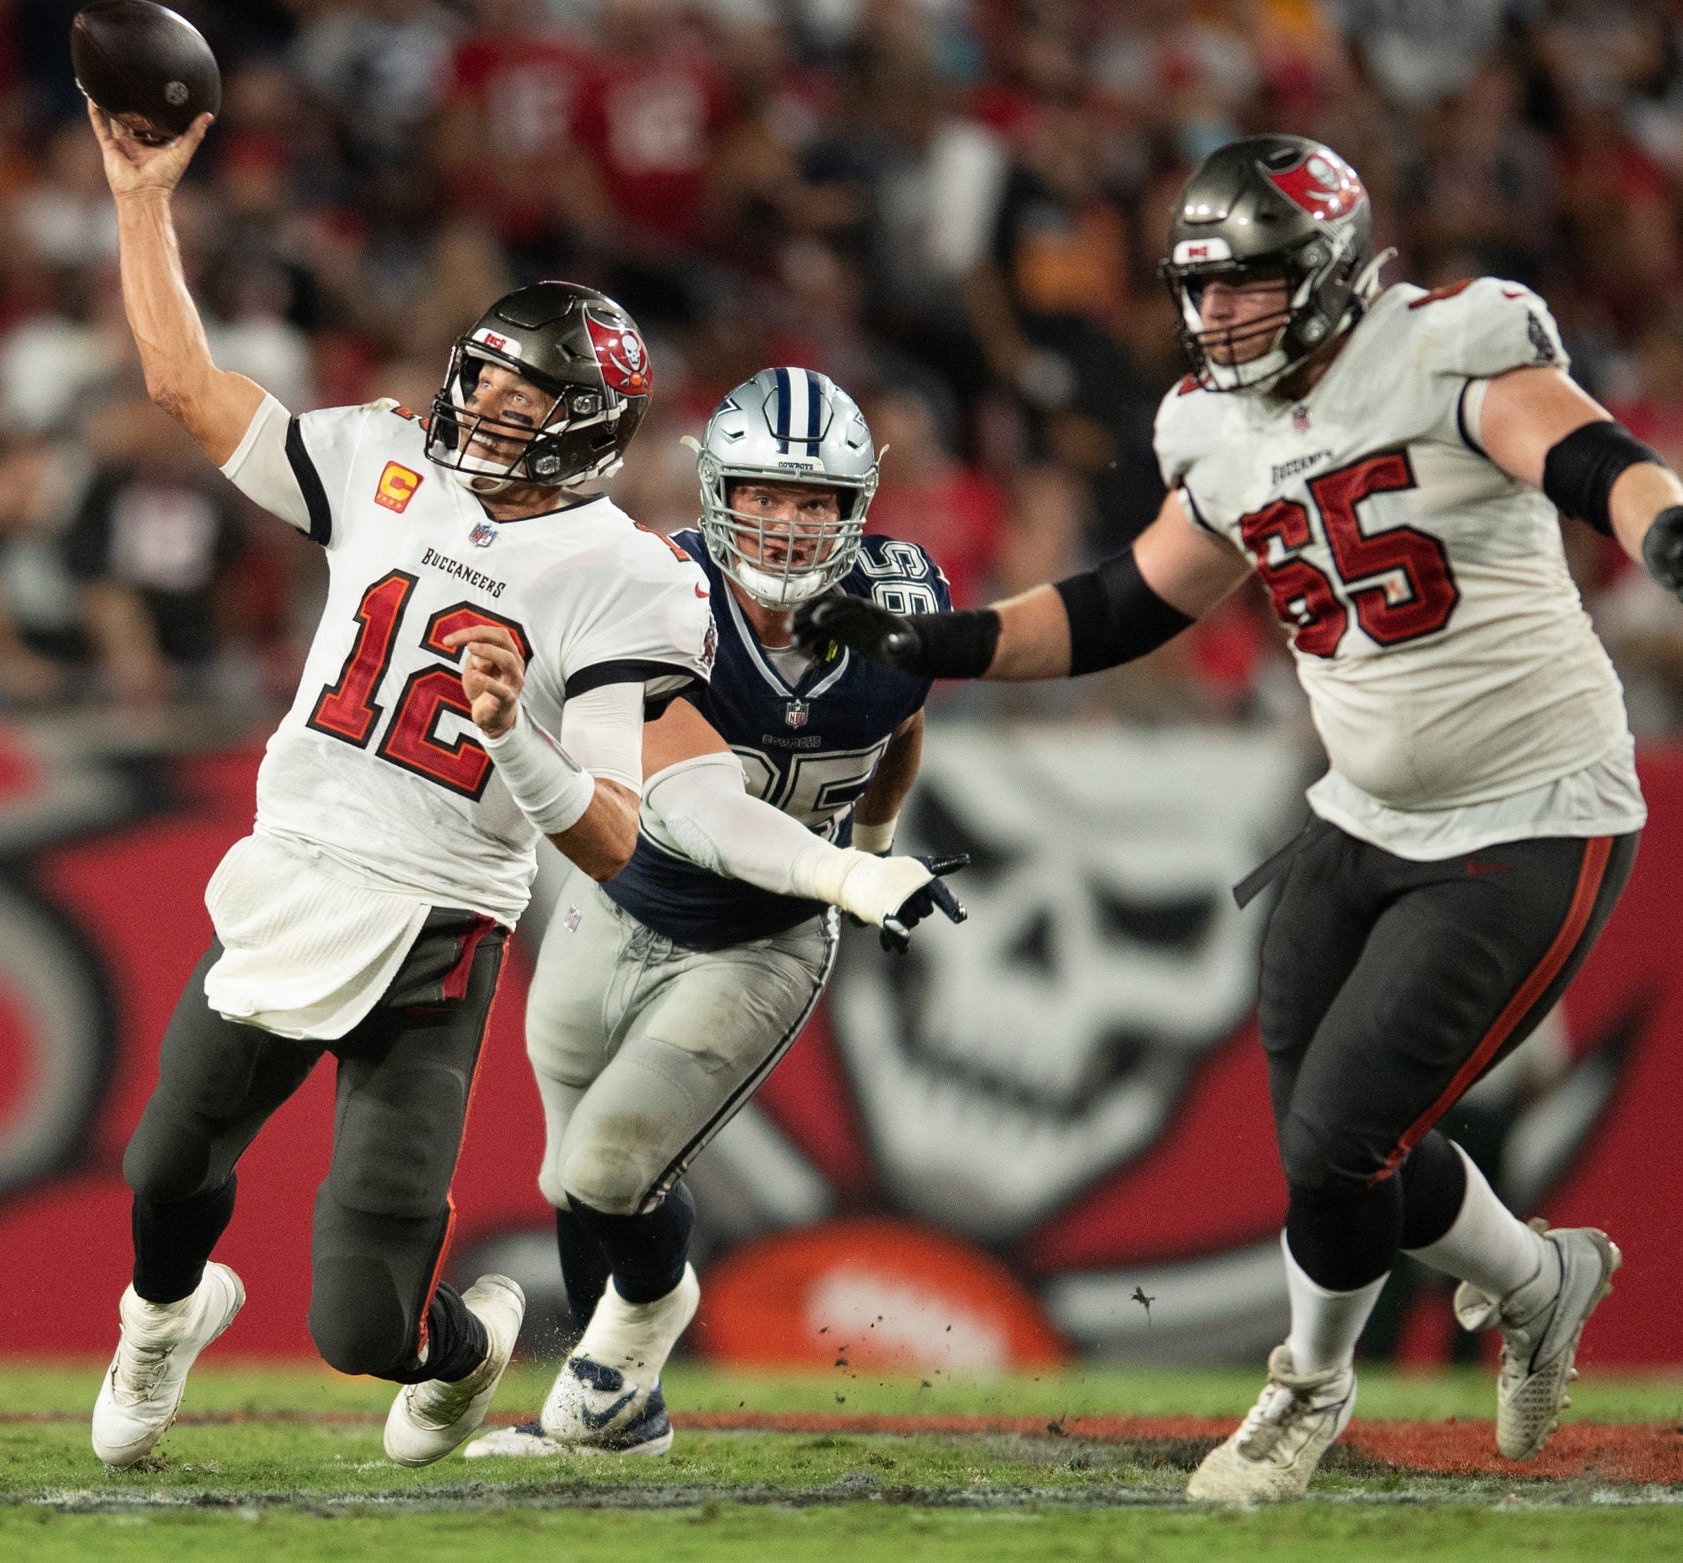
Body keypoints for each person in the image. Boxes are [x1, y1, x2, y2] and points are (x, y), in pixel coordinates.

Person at [796, 135, 1683, 1502]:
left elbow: (1584, 454)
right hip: (1362, 812)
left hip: (1532, 811)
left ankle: (1303, 1390)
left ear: (1326, 272)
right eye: (1198, 290)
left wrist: (1661, 524)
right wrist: (939, 639)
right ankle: (1540, 1276)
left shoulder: (1451, 345)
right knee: (1339, 1151)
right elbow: (1125, 604)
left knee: (1339, 1140)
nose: (1213, 317)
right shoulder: (1217, 428)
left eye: (1244, 287)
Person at [81, 98, 740, 1471]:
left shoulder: (627, 572)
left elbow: (619, 838)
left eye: (527, 392)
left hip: (442, 916)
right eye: (485, 375)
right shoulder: (387, 461)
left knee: (364, 1317)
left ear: (592, 423)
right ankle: (164, 1317)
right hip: (307, 857)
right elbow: (185, 390)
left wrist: (514, 734)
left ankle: (466, 1350)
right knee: (161, 1169)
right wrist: (142, 203)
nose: (490, 403)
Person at [470, 368, 966, 1459]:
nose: (784, 525)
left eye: (812, 502)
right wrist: (854, 873)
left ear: (854, 509)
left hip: (756, 946)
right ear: (714, 490)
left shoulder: (903, 604)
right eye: (762, 495)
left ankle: (634, 1340)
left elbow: (902, 722)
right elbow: (696, 807)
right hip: (624, 900)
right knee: (574, 1180)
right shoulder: (656, 592)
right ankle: (619, 1414)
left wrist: (873, 842)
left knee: (610, 1168)